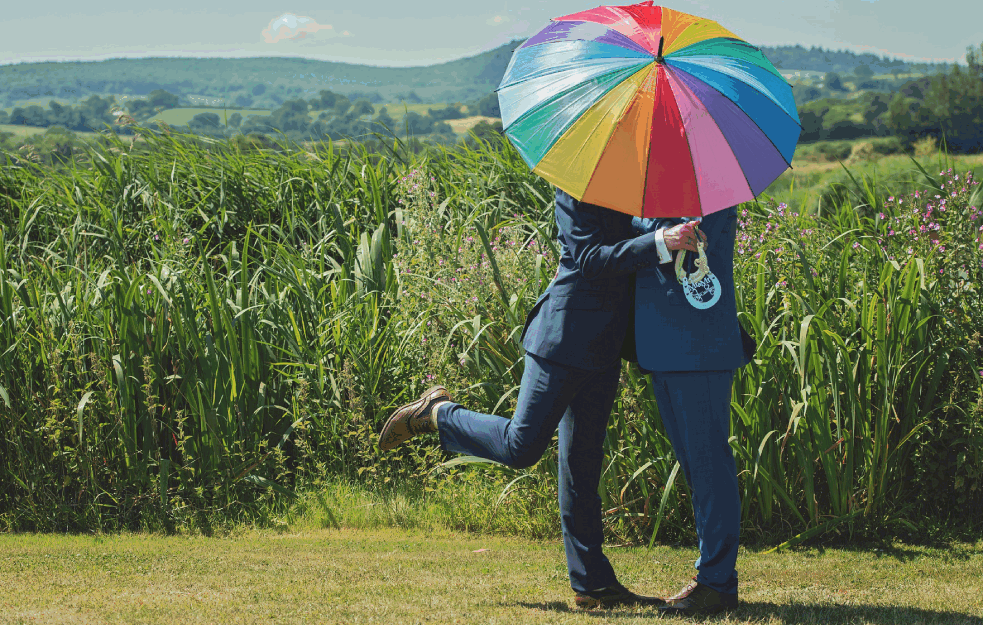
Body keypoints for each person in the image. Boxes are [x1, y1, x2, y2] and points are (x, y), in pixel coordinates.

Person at [379, 187, 705, 610]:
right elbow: (589, 259)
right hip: (562, 338)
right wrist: (662, 242)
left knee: (581, 466)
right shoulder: (575, 187)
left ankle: (592, 585)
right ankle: (439, 414)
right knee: (521, 446)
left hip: (605, 346)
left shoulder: (630, 188)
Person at [633, 206, 754, 617]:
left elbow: (688, 240)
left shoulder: (710, 186)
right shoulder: (655, 190)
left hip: (698, 346)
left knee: (707, 465)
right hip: (663, 345)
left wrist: (637, 228)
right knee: (695, 466)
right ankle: (713, 577)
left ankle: (718, 582)